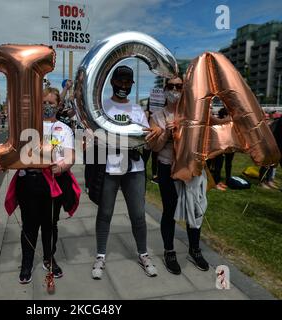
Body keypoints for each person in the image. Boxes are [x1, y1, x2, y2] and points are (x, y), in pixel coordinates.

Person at [87, 65, 162, 280]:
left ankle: (143, 254)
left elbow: (146, 141)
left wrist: (155, 134)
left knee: (138, 214)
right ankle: (100, 255)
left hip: (134, 169)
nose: (123, 85)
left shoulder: (137, 110)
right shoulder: (102, 107)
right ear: (112, 82)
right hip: (109, 168)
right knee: (105, 213)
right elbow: (95, 136)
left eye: (127, 82)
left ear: (131, 85)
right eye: (119, 81)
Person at [0, 87, 80, 284]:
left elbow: (70, 156)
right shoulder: (26, 127)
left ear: (58, 105)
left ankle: (48, 258)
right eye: (43, 102)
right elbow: (13, 153)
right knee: (29, 225)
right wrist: (4, 163)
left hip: (54, 182)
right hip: (29, 181)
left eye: (51, 103)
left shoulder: (65, 129)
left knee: (50, 224)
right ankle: (27, 263)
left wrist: (61, 168)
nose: (47, 106)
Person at [148, 77, 209, 275]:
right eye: (170, 86)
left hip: (190, 168)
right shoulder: (157, 116)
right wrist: (167, 133)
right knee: (169, 210)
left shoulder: (192, 115)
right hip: (167, 168)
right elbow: (153, 147)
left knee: (195, 208)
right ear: (165, 89)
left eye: (179, 86)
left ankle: (194, 249)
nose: (174, 90)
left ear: (185, 89)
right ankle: (169, 250)